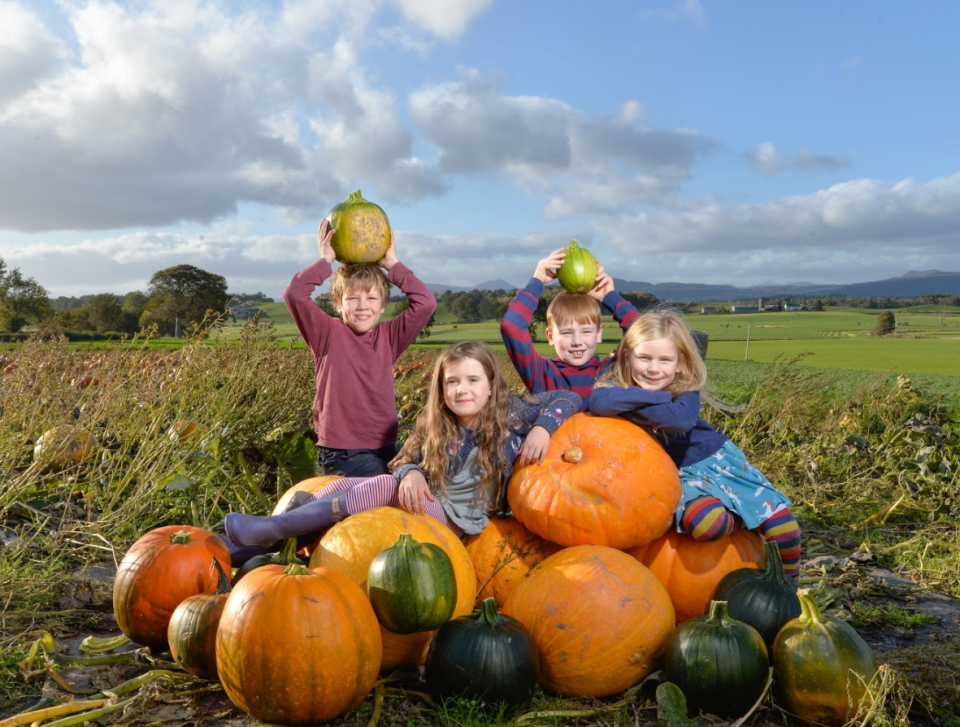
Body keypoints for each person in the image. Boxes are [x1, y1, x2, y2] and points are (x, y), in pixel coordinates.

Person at [224, 341, 581, 547]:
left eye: (473, 379)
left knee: (381, 485)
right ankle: (264, 541)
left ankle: (280, 529)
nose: (462, 389)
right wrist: (411, 472)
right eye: (452, 381)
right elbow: (404, 459)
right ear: (441, 389)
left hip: (460, 524)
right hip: (431, 503)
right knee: (353, 484)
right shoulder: (435, 423)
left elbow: (568, 398)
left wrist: (543, 429)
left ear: (491, 384)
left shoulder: (512, 414)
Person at [588, 309, 802, 577]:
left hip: (716, 461)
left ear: (680, 363)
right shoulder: (620, 383)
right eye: (644, 358)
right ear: (627, 357)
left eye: (665, 360)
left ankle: (788, 587)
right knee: (707, 525)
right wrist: (658, 398)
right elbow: (598, 402)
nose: (654, 369)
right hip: (675, 476)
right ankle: (740, 518)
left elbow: (679, 420)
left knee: (784, 527)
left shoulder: (686, 388)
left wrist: (631, 404)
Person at [283, 219, 436, 478]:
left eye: (372, 298)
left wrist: (393, 265)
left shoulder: (389, 336)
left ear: (383, 305)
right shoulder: (326, 332)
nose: (363, 305)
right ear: (338, 305)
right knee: (378, 501)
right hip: (344, 451)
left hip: (386, 446)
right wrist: (326, 260)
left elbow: (425, 303)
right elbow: (294, 294)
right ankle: (306, 512)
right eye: (352, 298)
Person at [500, 246, 641, 409]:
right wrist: (537, 280)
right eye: (567, 333)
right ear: (551, 336)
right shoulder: (542, 374)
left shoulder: (611, 371)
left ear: (599, 333)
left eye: (586, 331)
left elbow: (643, 333)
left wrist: (609, 297)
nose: (577, 341)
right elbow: (511, 326)